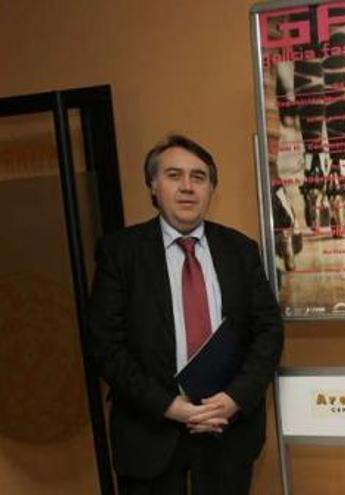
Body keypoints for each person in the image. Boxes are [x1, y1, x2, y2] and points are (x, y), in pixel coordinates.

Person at [87, 134, 284, 494]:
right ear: (153, 185)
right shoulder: (120, 253)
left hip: (228, 430)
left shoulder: (241, 250)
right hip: (149, 432)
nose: (188, 188)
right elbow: (105, 345)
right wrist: (169, 406)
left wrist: (235, 398)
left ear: (211, 189)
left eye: (199, 177)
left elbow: (269, 332)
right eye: (174, 175)